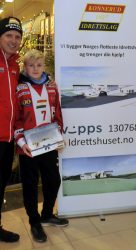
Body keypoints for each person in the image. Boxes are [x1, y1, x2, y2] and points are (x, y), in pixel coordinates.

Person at [14, 49, 69, 243]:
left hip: (49, 145)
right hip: (27, 148)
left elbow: (58, 116)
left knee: (53, 180)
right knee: (30, 186)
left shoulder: (52, 87)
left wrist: (59, 137)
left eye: (39, 65)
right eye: (31, 65)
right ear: (25, 67)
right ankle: (34, 222)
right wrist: (21, 142)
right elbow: (15, 119)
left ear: (44, 66)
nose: (35, 69)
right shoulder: (19, 89)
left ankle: (46, 214)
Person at [0, 16, 23, 243]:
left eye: (17, 36)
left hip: (8, 141)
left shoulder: (16, 66)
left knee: (1, 184)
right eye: (8, 35)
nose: (13, 40)